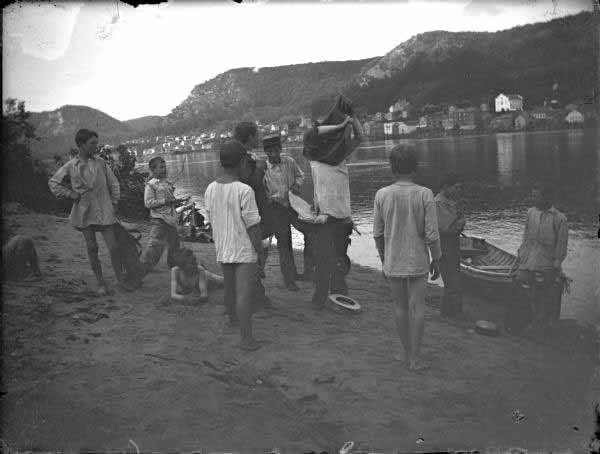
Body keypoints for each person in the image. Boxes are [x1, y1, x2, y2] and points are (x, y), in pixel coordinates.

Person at [373, 145, 441, 371]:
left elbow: (377, 234)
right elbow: (432, 234)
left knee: (400, 307)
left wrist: (384, 259)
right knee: (418, 308)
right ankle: (415, 358)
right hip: (418, 259)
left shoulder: (382, 195)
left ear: (393, 168)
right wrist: (437, 259)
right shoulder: (425, 194)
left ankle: (405, 353)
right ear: (414, 167)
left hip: (393, 258)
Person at [48, 128, 132, 295]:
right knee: (92, 248)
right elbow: (53, 182)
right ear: (81, 145)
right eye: (92, 143)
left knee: (114, 247)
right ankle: (101, 283)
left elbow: (114, 183)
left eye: (97, 142)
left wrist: (114, 202)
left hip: (104, 209)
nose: (96, 146)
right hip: (84, 211)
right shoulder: (71, 165)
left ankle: (120, 280)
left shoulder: (101, 162)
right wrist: (70, 194)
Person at [204, 141, 265, 351]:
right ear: (241, 163)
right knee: (243, 294)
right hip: (243, 248)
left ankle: (232, 320)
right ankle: (247, 339)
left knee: (230, 290)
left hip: (223, 247)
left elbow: (212, 218)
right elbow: (253, 227)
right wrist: (259, 250)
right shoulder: (245, 190)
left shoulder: (210, 189)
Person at [304, 114, 363, 309]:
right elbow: (311, 134)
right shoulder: (317, 155)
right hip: (325, 218)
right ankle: (322, 298)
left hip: (341, 218)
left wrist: (352, 120)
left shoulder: (337, 155)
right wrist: (342, 124)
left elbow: (360, 137)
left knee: (338, 259)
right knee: (323, 260)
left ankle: (336, 295)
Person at [510, 183, 568, 328]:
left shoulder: (560, 219)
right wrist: (519, 259)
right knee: (518, 286)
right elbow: (526, 239)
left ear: (547, 197)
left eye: (536, 196)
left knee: (542, 295)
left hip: (545, 265)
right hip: (528, 261)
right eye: (533, 195)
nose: (533, 198)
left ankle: (540, 323)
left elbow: (561, 248)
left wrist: (556, 266)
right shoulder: (531, 213)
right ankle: (525, 320)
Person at [233, 122, 271, 308]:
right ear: (249, 137)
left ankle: (254, 294)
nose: (259, 137)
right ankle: (256, 297)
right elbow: (249, 182)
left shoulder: (241, 157)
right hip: (250, 213)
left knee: (254, 252)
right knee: (255, 252)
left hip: (248, 212)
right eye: (257, 134)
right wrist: (261, 168)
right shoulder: (244, 159)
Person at [262, 134, 306, 291]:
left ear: (280, 149)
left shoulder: (289, 161)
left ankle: (306, 271)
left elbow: (301, 175)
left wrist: (297, 185)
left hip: (293, 205)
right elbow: (262, 190)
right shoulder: (263, 168)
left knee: (309, 230)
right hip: (276, 208)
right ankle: (289, 279)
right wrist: (268, 200)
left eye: (276, 150)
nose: (273, 154)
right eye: (270, 152)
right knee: (284, 243)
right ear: (266, 152)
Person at [140, 156, 187, 274]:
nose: (164, 169)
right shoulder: (150, 185)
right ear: (153, 169)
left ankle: (173, 264)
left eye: (165, 167)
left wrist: (176, 201)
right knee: (155, 244)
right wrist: (164, 202)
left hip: (170, 218)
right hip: (159, 219)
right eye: (161, 167)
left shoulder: (166, 183)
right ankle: (145, 265)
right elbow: (148, 203)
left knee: (174, 243)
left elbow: (169, 199)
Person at [435, 173, 466, 318]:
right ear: (446, 187)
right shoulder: (439, 203)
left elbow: (454, 225)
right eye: (457, 188)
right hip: (445, 244)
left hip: (450, 244)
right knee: (452, 280)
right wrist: (461, 220)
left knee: (453, 279)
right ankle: (452, 313)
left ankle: (450, 312)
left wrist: (459, 220)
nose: (459, 191)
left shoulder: (449, 202)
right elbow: (448, 229)